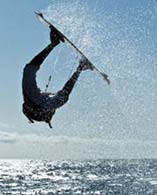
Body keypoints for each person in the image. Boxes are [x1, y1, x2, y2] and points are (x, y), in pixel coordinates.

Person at [22, 27, 93, 128]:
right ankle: (55, 44)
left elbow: (63, 94)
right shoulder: (44, 105)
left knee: (63, 96)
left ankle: (81, 66)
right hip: (32, 100)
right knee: (28, 70)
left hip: (35, 102)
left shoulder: (48, 104)